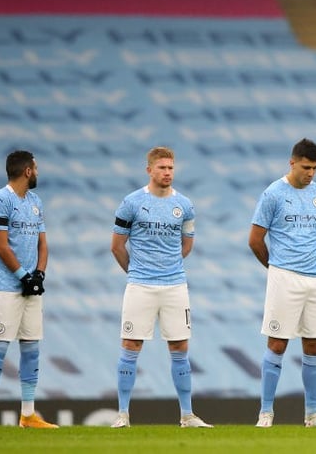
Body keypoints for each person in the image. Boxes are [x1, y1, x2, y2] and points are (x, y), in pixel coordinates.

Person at [110, 147, 212, 428]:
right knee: (131, 344)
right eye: (162, 168)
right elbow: (117, 246)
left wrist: (168, 267)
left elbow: (187, 244)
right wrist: (136, 272)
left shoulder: (185, 206)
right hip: (140, 285)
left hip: (175, 286)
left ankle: (187, 415)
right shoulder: (131, 203)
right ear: (149, 170)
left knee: (180, 346)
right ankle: (122, 415)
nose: (167, 172)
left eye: (170, 168)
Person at [249, 139, 316, 428]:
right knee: (277, 342)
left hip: (315, 278)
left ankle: (313, 414)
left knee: (314, 344)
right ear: (292, 162)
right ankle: (266, 412)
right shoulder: (273, 194)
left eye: (315, 168)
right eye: (306, 167)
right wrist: (276, 268)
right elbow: (255, 240)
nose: (310, 173)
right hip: (284, 277)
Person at [0, 150, 58, 429]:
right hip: (6, 287)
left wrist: (39, 274)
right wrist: (23, 276)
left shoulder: (35, 201)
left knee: (31, 348)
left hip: (30, 287)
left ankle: (28, 414)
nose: (37, 172)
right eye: (35, 168)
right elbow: (1, 245)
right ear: (27, 171)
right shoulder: (0, 200)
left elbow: (43, 243)